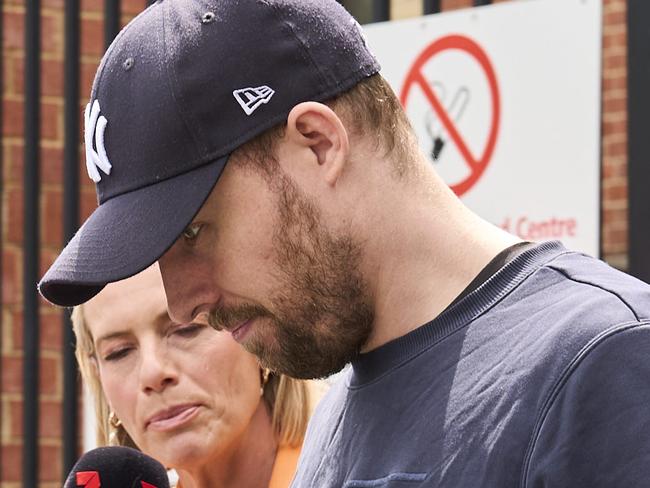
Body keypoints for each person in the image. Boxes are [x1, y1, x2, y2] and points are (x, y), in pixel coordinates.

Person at [39, 0, 650, 486]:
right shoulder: (337, 412)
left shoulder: (605, 364)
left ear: (317, 143)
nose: (183, 304)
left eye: (194, 233)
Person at [72, 264, 310, 488]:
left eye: (186, 330)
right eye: (118, 353)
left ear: (258, 337)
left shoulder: (340, 467)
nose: (152, 372)